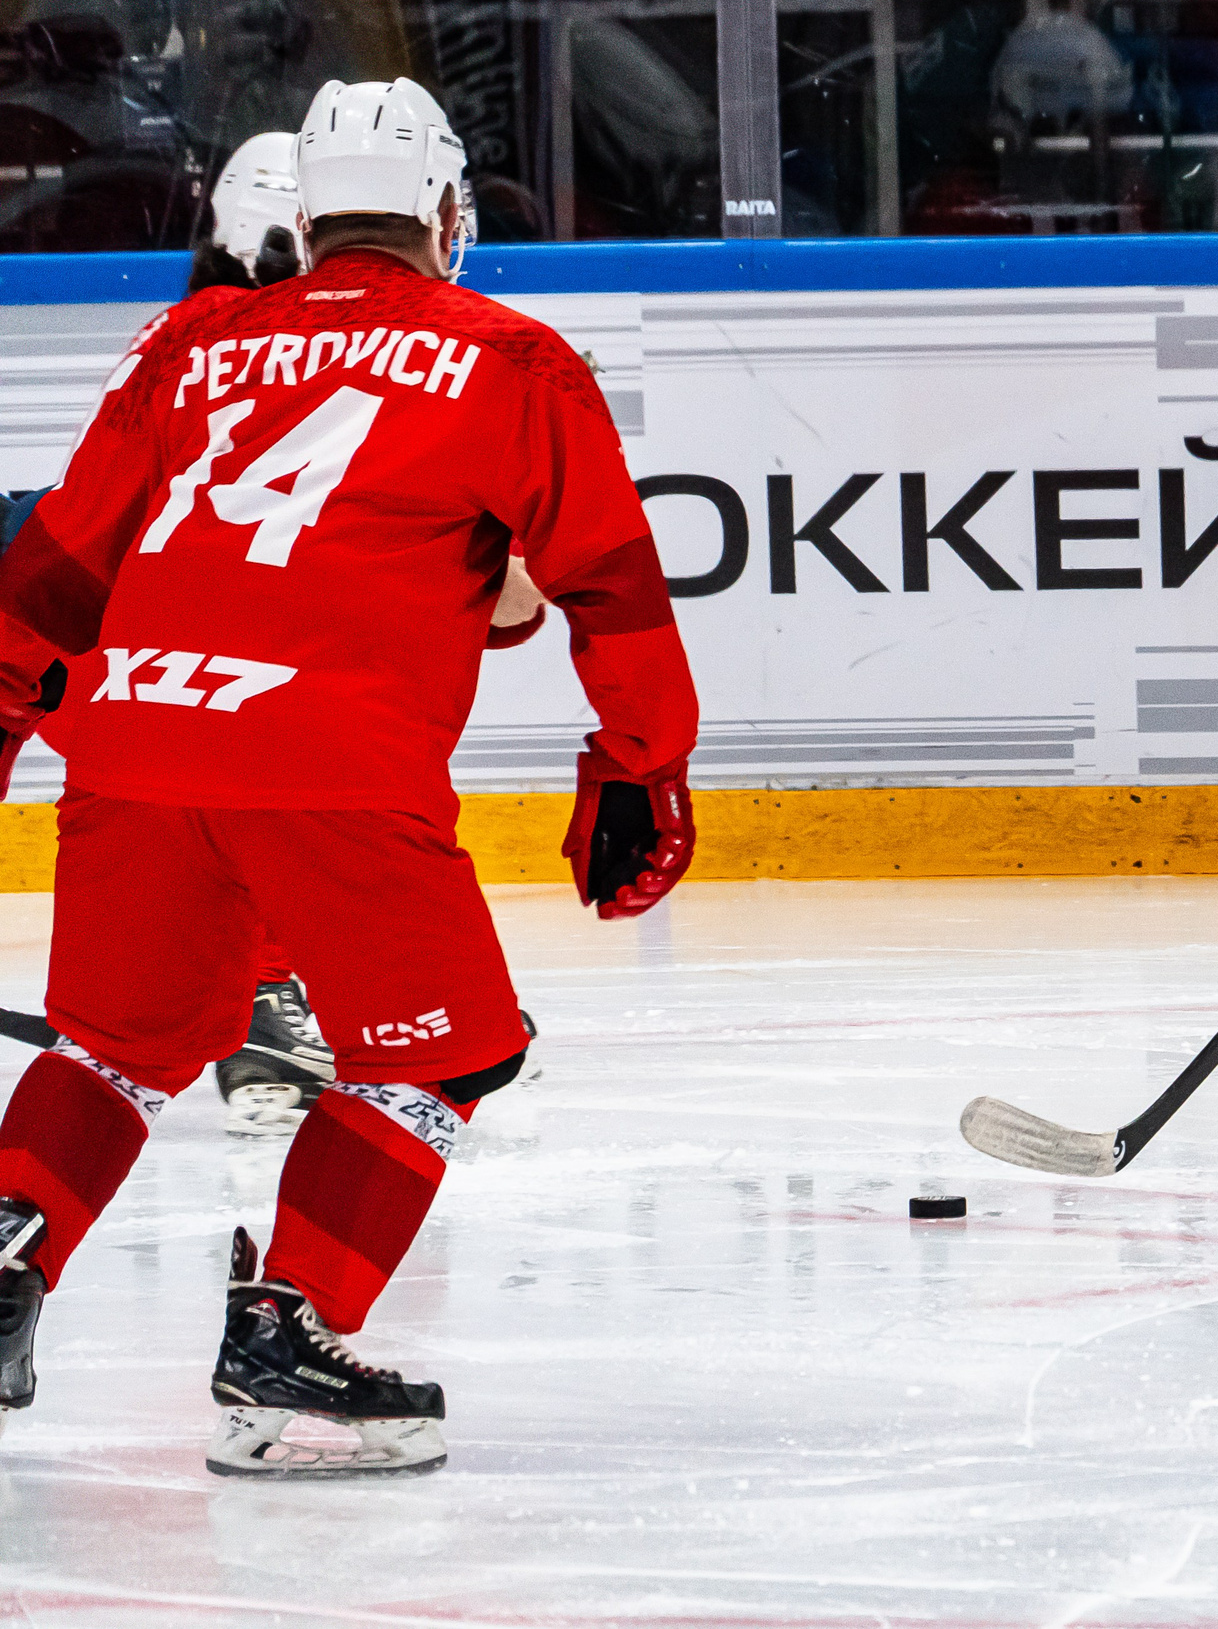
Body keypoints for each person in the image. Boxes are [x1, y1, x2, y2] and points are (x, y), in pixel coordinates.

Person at [0, 77, 698, 1477]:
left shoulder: (189, 341)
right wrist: (643, 764)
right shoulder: (508, 356)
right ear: (449, 213)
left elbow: (55, 574)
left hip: (133, 741)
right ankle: (288, 1339)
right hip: (328, 753)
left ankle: (5, 1247)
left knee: (117, 1052)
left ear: (303, 223)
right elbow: (610, 586)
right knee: (453, 1050)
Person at [6, 130, 548, 1137]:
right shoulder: (302, 346)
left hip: (88, 619)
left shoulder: (206, 333)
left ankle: (250, 990)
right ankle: (263, 991)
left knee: (229, 779)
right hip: (121, 634)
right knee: (279, 762)